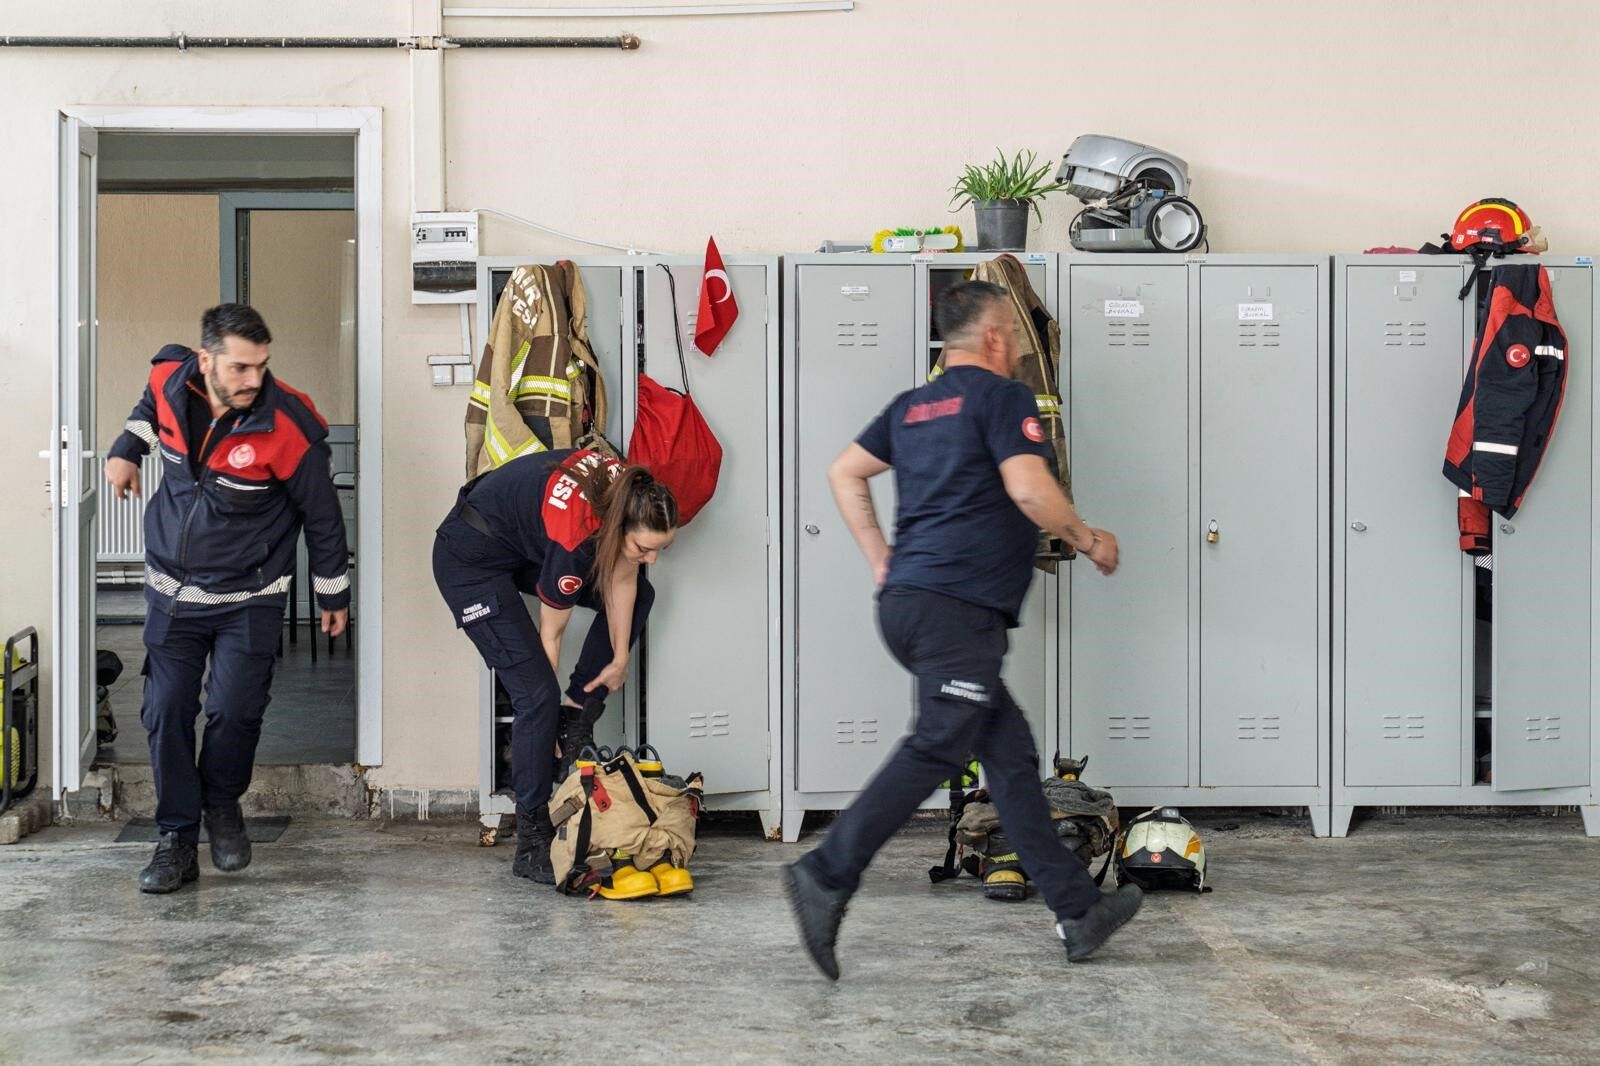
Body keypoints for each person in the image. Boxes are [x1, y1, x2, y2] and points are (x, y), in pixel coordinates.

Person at [783, 280, 1142, 979]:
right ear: (999, 339)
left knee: (1008, 756)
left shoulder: (914, 405)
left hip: (912, 605)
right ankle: (826, 872)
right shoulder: (1004, 398)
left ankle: (1078, 909)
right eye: (1010, 335)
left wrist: (882, 560)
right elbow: (1030, 489)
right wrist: (1088, 538)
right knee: (938, 743)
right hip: (956, 609)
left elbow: (843, 472)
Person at [104, 304, 350, 894]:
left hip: (250, 595)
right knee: (164, 712)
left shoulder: (288, 423)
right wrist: (124, 450)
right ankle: (177, 840)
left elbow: (322, 512)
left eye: (261, 367)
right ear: (206, 359)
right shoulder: (170, 376)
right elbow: (146, 411)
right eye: (241, 368)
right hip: (172, 591)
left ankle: (222, 804)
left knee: (236, 710)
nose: (253, 380)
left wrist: (331, 591)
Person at [432, 448, 677, 887]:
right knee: (536, 695)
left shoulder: (628, 494)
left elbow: (625, 579)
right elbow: (552, 636)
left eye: (660, 548)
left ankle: (574, 719)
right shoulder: (578, 535)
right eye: (645, 547)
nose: (652, 558)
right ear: (621, 526)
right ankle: (531, 840)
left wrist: (619, 658)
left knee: (642, 592)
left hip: (515, 547)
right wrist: (540, 711)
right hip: (467, 560)